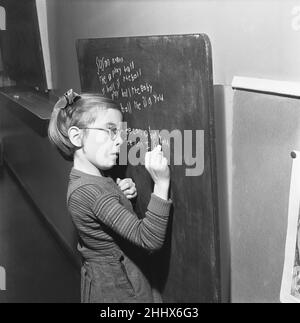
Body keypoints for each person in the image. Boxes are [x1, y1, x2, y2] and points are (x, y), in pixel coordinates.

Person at [48, 89, 172, 303]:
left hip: (117, 279)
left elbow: (100, 211)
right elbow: (148, 239)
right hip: (118, 292)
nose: (119, 141)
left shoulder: (91, 180)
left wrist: (119, 195)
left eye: (120, 133)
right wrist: (161, 184)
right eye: (110, 130)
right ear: (77, 136)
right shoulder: (90, 192)